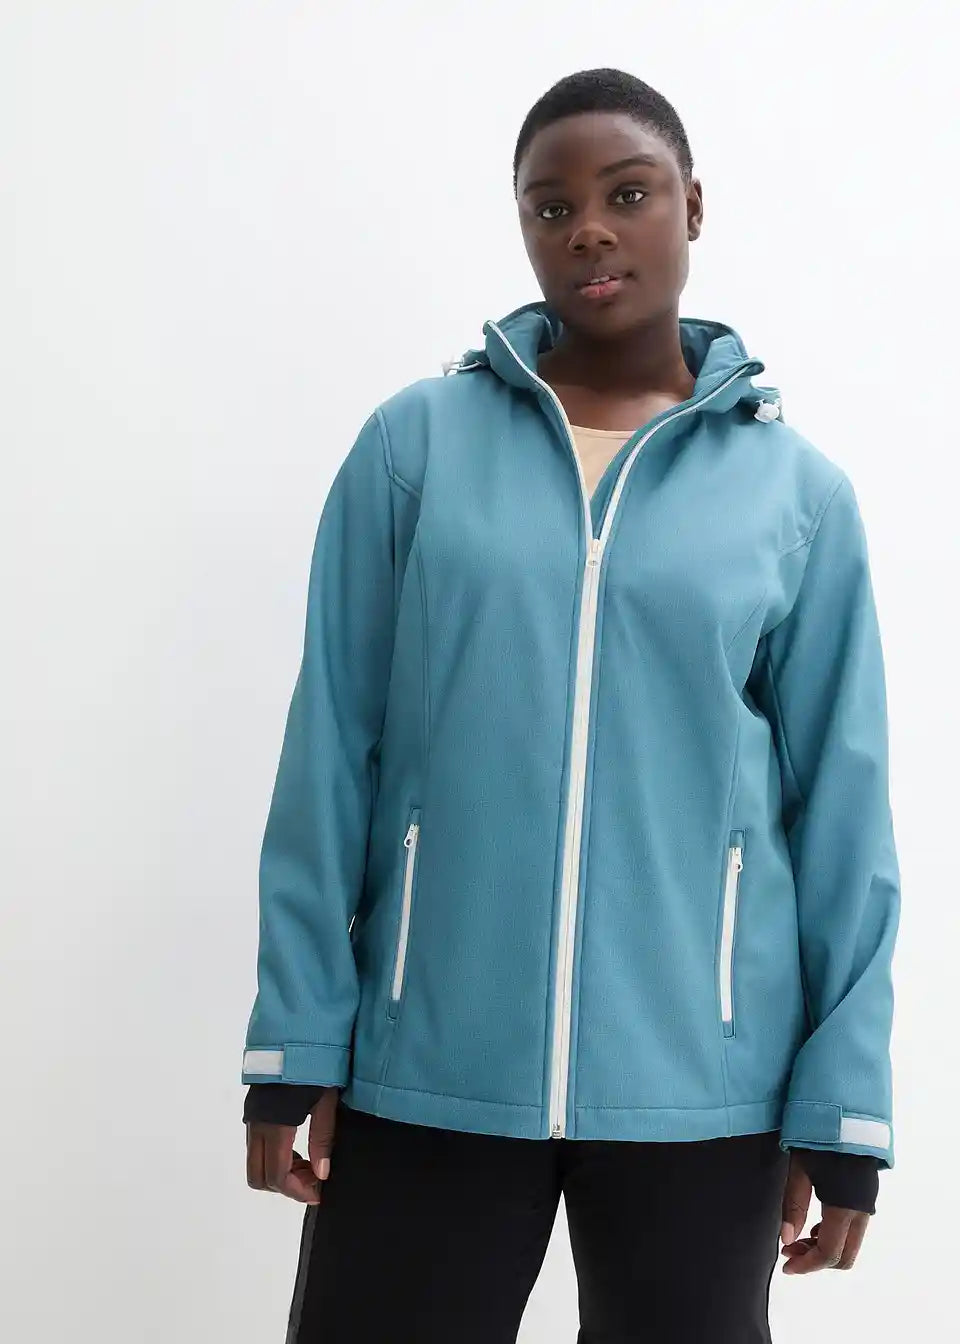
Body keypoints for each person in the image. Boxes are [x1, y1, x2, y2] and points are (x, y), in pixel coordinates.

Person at [240, 67, 900, 1343]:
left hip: (704, 1090)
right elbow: (329, 752)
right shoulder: (415, 448)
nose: (589, 229)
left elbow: (844, 815)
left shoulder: (796, 497)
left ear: (692, 206)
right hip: (426, 1067)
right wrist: (294, 1044)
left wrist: (844, 1104)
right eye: (551, 208)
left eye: (627, 194)